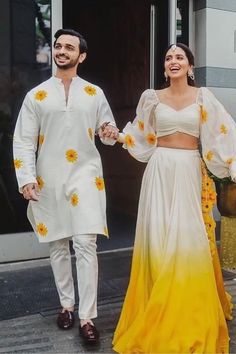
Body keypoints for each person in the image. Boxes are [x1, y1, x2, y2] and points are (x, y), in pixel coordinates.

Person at [110, 43, 235, 353]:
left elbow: (225, 133)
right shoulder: (151, 98)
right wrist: (120, 136)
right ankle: (156, 303)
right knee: (159, 240)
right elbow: (141, 134)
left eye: (180, 57)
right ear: (165, 68)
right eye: (168, 58)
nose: (173, 61)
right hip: (159, 172)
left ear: (190, 66)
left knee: (187, 241)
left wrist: (232, 164)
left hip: (190, 171)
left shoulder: (204, 97)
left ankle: (187, 312)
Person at [13, 28, 119, 345]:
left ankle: (87, 317)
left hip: (86, 174)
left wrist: (110, 131)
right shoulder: (36, 96)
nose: (61, 50)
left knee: (86, 243)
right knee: (58, 244)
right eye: (57, 46)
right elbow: (23, 141)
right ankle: (66, 306)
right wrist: (27, 179)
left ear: (81, 56)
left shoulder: (94, 93)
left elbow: (106, 132)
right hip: (49, 176)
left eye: (68, 47)